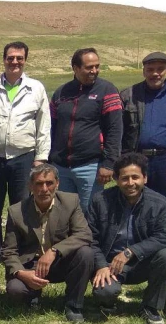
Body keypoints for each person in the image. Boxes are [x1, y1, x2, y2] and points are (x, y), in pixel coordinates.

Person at [0, 41, 51, 269]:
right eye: (10, 58)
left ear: (25, 60)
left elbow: (43, 125)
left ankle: (19, 251)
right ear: (4, 59)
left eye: (19, 58)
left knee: (22, 207)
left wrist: (41, 156)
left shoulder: (36, 88)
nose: (14, 62)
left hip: (24, 156)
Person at [87, 152, 166, 324]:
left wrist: (131, 251)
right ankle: (107, 302)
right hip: (110, 264)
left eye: (135, 177)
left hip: (143, 262)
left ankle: (150, 307)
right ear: (116, 179)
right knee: (105, 292)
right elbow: (90, 238)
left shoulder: (159, 202)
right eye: (125, 178)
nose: (130, 183)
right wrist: (101, 265)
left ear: (145, 178)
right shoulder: (100, 201)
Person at [2, 163, 95, 323]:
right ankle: (32, 295)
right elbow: (9, 251)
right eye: (39, 183)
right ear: (30, 186)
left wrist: (54, 251)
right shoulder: (16, 211)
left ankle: (74, 305)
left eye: (49, 183)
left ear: (57, 183)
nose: (44, 189)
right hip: (31, 265)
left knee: (86, 253)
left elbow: (84, 234)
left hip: (60, 261)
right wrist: (21, 273)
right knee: (15, 290)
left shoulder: (70, 201)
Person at [49, 48, 123, 210]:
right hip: (61, 167)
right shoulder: (61, 92)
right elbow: (51, 128)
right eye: (89, 67)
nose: (94, 71)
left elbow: (115, 129)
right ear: (75, 68)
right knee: (63, 214)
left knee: (90, 214)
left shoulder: (107, 90)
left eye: (97, 66)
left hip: (90, 167)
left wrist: (109, 164)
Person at [119, 52, 166, 200]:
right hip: (135, 157)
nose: (155, 74)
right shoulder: (128, 95)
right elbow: (120, 130)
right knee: (133, 199)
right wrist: (123, 159)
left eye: (160, 69)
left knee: (162, 201)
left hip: (165, 160)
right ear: (143, 71)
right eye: (150, 69)